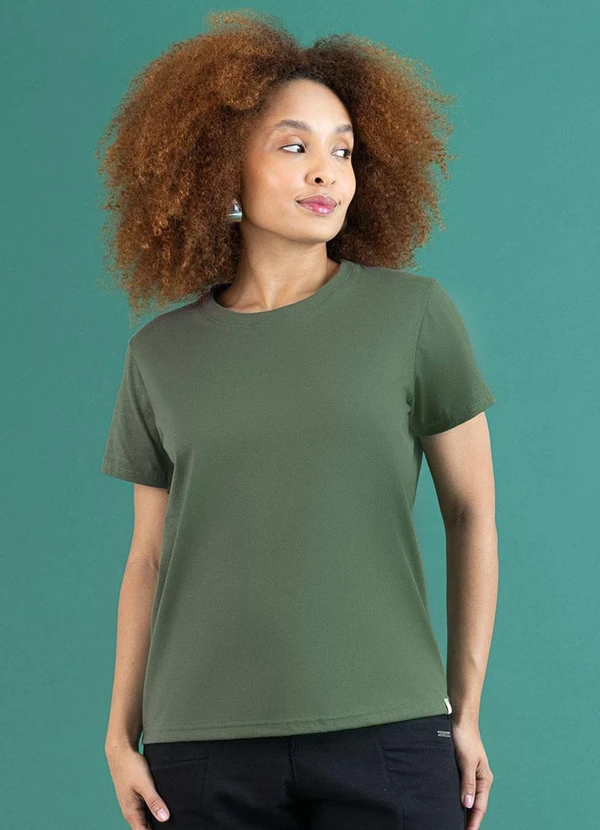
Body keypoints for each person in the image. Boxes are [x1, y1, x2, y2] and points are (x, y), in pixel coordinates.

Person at [97, 10, 497, 830]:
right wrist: (117, 735)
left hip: (389, 736)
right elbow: (148, 558)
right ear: (220, 172)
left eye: (343, 150)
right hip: (200, 750)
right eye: (293, 146)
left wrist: (464, 711)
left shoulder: (413, 316)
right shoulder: (159, 356)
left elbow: (471, 513)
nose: (327, 172)